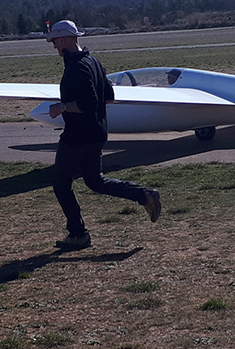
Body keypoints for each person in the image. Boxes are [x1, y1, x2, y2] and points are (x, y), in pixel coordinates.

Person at [45, 20, 161, 249]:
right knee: (95, 181)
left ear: (66, 39)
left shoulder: (76, 67)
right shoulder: (94, 62)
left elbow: (90, 103)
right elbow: (109, 96)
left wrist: (64, 107)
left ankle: (78, 235)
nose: (54, 46)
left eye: (55, 41)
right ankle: (145, 195)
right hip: (98, 132)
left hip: (77, 136)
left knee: (60, 182)